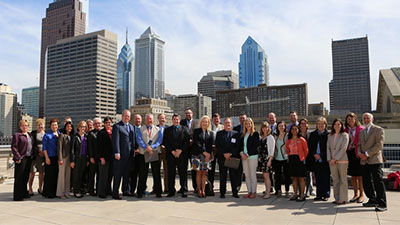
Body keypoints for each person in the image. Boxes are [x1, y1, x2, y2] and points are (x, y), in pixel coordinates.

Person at [358, 113, 387, 212]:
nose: (366, 120)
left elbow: (379, 145)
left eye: (368, 118)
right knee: (366, 182)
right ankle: (372, 199)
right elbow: (358, 145)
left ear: (372, 119)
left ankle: (382, 203)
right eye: (364, 118)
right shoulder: (362, 132)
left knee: (378, 182)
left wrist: (367, 153)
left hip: (374, 160)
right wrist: (360, 154)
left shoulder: (379, 130)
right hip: (364, 161)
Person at [136, 113, 163, 198]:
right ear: (145, 119)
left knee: (156, 174)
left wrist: (152, 147)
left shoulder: (158, 129)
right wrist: (146, 147)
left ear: (153, 120)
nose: (149, 120)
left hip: (154, 152)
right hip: (143, 153)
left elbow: (159, 141)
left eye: (150, 119)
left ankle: (158, 192)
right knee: (142, 173)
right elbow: (138, 139)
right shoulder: (140, 129)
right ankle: (140, 192)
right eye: (147, 119)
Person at [163, 114, 190, 197]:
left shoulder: (185, 129)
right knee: (171, 173)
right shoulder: (167, 130)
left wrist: (180, 150)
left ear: (179, 120)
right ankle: (171, 190)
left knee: (183, 173)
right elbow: (165, 142)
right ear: (172, 120)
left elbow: (187, 141)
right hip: (171, 155)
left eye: (177, 119)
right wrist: (172, 151)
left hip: (182, 155)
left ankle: (184, 189)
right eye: (174, 119)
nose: (176, 121)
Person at [112, 110, 136, 200]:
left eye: (128, 116)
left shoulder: (132, 127)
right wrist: (117, 152)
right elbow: (116, 141)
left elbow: (132, 141)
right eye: (125, 116)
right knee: (118, 174)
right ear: (122, 116)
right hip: (120, 155)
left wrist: (134, 150)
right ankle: (115, 192)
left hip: (129, 155)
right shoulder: (117, 126)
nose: (127, 118)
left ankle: (126, 191)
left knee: (127, 174)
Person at [216, 118, 240, 198]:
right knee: (223, 176)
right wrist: (224, 154)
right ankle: (222, 192)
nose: (227, 124)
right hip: (222, 158)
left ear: (231, 124)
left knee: (233, 176)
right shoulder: (219, 134)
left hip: (232, 158)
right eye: (226, 123)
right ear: (224, 124)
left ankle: (234, 192)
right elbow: (218, 145)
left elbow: (237, 146)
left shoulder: (236, 134)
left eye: (229, 123)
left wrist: (230, 154)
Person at [327, 118, 349, 205]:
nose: (337, 126)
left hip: (342, 160)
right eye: (335, 124)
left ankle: (343, 199)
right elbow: (327, 148)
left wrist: (335, 158)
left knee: (343, 180)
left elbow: (344, 148)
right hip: (332, 162)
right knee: (335, 180)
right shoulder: (330, 136)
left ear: (341, 125)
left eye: (339, 124)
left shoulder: (345, 135)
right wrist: (330, 159)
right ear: (333, 126)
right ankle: (337, 198)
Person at [308, 117, 330, 202]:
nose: (320, 125)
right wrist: (314, 154)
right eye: (319, 124)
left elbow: (329, 148)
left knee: (325, 177)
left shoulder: (328, 135)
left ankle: (326, 194)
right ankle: (319, 194)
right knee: (317, 177)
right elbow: (310, 146)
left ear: (325, 125)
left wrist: (321, 155)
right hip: (315, 159)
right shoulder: (313, 134)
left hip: (324, 159)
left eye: (322, 124)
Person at [191, 116, 214, 198]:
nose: (205, 123)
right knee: (198, 172)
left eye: (206, 122)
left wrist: (208, 155)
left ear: (208, 123)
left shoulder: (210, 133)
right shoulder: (196, 131)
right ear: (201, 122)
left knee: (204, 173)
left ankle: (203, 190)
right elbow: (197, 144)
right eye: (203, 121)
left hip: (207, 156)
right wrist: (204, 152)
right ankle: (199, 190)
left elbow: (210, 146)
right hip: (197, 154)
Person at [11, 119, 34, 201]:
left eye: (26, 125)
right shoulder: (17, 135)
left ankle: (24, 193)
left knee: (25, 177)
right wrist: (18, 157)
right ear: (20, 126)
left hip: (29, 158)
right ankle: (18, 195)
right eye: (23, 125)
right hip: (21, 158)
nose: (25, 127)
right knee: (19, 177)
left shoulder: (29, 135)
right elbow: (14, 147)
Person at [345, 112, 365, 203]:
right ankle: (355, 194)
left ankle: (361, 195)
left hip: (358, 153)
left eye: (352, 119)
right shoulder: (345, 130)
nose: (350, 120)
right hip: (349, 153)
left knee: (360, 176)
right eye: (348, 119)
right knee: (353, 176)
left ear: (355, 119)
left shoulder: (361, 129)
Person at [286, 125, 308, 202]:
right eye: (292, 129)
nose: (294, 130)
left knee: (301, 178)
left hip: (300, 160)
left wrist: (303, 158)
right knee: (294, 178)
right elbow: (287, 150)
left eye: (296, 129)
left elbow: (306, 151)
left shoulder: (302, 139)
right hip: (292, 159)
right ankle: (295, 193)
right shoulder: (288, 140)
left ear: (298, 130)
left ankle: (302, 194)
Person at [180, 108, 199, 193]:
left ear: (192, 114)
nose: (188, 115)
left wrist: (192, 141)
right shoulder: (182, 122)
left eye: (189, 113)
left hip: (194, 150)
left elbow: (199, 135)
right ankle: (184, 187)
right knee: (183, 169)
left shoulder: (197, 123)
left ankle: (196, 187)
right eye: (186, 113)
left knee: (194, 169)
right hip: (184, 149)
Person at [239, 118, 259, 199]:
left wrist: (247, 154)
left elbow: (255, 146)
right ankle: (249, 191)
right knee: (247, 175)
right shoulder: (243, 134)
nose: (248, 125)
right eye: (246, 124)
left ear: (252, 124)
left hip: (252, 156)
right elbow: (241, 146)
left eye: (249, 123)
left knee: (252, 175)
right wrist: (241, 153)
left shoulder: (255, 134)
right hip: (244, 157)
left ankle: (253, 192)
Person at [207, 113, 224, 196]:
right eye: (214, 119)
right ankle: (210, 188)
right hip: (212, 152)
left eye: (217, 119)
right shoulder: (209, 127)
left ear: (220, 119)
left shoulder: (223, 127)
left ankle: (222, 188)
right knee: (211, 171)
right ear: (212, 120)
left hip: (220, 152)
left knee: (222, 170)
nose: (216, 120)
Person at [42, 118, 60, 198]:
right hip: (50, 157)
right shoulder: (47, 135)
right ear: (50, 126)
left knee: (56, 175)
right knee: (49, 176)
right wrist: (46, 158)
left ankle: (54, 191)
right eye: (53, 125)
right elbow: (44, 148)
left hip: (57, 157)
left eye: (55, 125)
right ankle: (48, 192)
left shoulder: (59, 133)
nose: (54, 126)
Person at [97, 117, 114, 198]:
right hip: (104, 158)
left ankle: (108, 190)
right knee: (103, 175)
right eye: (107, 122)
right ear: (104, 123)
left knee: (110, 175)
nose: (108, 124)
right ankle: (102, 192)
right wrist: (101, 157)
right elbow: (99, 146)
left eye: (109, 122)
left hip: (111, 157)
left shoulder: (113, 132)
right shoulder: (101, 132)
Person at [71, 121, 89, 198]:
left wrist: (88, 159)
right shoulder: (75, 136)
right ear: (78, 127)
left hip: (84, 158)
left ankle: (81, 190)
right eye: (81, 126)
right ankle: (76, 191)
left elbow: (88, 149)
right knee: (76, 175)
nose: (83, 128)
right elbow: (72, 149)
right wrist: (72, 160)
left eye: (84, 127)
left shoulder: (86, 136)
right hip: (77, 158)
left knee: (82, 175)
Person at [257, 122, 275, 199]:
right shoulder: (261, 137)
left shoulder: (270, 137)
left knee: (267, 176)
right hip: (262, 159)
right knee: (264, 176)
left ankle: (268, 193)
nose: (265, 129)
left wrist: (270, 160)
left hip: (267, 159)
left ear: (268, 128)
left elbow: (272, 150)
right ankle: (266, 191)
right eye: (263, 127)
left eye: (266, 127)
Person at [28, 118, 45, 196]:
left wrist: (44, 153)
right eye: (39, 125)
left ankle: (40, 188)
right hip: (35, 156)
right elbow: (32, 144)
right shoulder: (33, 133)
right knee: (32, 173)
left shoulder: (46, 133)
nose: (40, 126)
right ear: (36, 125)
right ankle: (30, 188)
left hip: (43, 156)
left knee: (41, 173)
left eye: (41, 124)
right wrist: (38, 152)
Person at [273, 121, 291, 197]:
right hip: (277, 158)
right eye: (279, 126)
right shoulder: (275, 136)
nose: (281, 127)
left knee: (287, 175)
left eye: (282, 126)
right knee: (278, 176)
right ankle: (279, 190)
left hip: (285, 158)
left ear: (285, 127)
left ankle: (287, 191)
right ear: (277, 127)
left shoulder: (287, 136)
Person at [56, 121, 73, 199]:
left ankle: (66, 192)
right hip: (63, 157)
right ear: (65, 127)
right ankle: (60, 193)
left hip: (70, 157)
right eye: (68, 126)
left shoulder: (72, 136)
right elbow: (59, 148)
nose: (69, 128)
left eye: (70, 126)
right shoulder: (61, 135)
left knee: (67, 175)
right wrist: (60, 158)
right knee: (61, 175)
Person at [299, 118, 315, 197]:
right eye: (301, 123)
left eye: (305, 123)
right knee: (300, 175)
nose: (303, 125)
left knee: (308, 174)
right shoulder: (297, 134)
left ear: (307, 125)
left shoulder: (310, 134)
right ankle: (300, 190)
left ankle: (308, 190)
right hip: (299, 157)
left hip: (308, 157)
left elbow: (312, 146)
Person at [87, 117, 102, 196]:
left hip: (101, 158)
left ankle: (99, 190)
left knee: (100, 175)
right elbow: (89, 146)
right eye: (96, 123)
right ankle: (91, 190)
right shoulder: (91, 133)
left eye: (99, 123)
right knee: (92, 175)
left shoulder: (103, 132)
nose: (98, 125)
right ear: (93, 125)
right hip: (93, 157)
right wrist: (91, 157)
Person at [129, 114, 142, 196]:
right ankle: (132, 190)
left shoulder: (144, 129)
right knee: (133, 173)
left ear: (141, 120)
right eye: (136, 119)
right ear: (134, 120)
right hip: (133, 154)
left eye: (139, 119)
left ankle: (141, 190)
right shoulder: (130, 128)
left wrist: (140, 149)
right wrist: (134, 149)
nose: (137, 120)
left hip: (142, 154)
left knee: (142, 173)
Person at [157, 113, 169, 194]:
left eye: (163, 118)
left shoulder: (168, 128)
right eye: (161, 118)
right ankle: (157, 188)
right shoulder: (155, 128)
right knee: (156, 171)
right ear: (158, 119)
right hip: (157, 151)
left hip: (166, 152)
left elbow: (170, 139)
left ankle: (167, 188)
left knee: (167, 171)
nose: (162, 120)